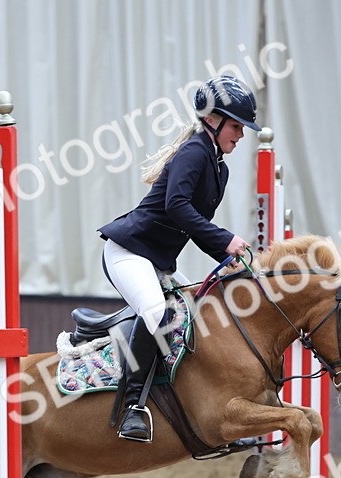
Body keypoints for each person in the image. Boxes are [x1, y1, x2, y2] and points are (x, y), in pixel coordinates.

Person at [98, 75, 261, 442]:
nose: (241, 134)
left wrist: (226, 254)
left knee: (195, 317)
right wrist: (226, 240)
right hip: (128, 252)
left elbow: (194, 226)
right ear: (213, 120)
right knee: (156, 312)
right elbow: (176, 206)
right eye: (236, 126)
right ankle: (132, 409)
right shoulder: (194, 152)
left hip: (156, 261)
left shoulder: (219, 166)